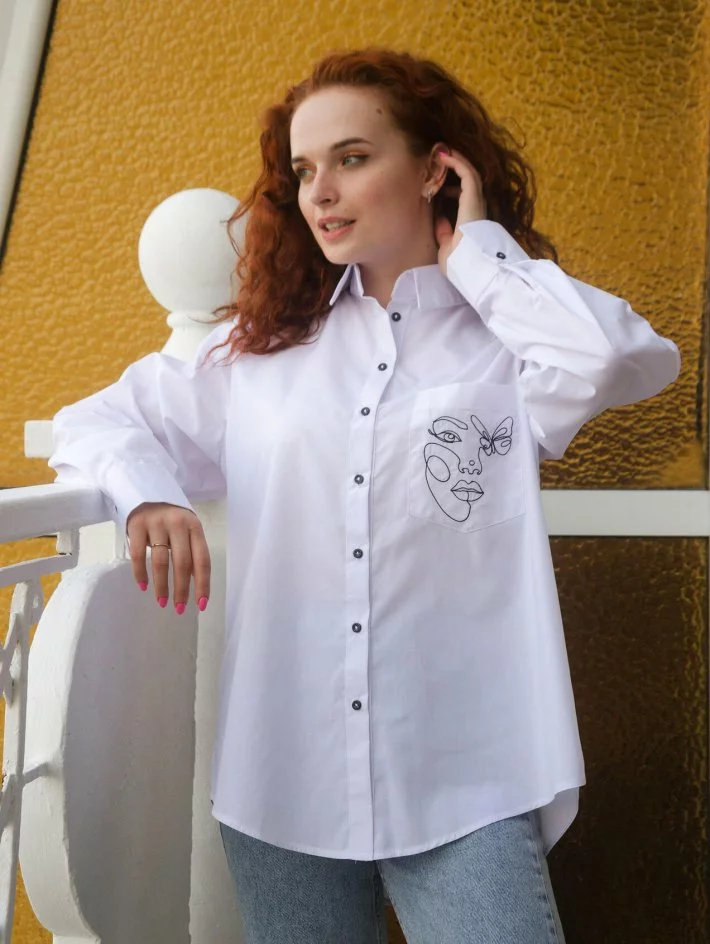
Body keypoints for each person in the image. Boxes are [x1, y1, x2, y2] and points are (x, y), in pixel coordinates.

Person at [48, 47, 680, 944]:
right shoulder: (260, 351)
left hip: (464, 776)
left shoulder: (505, 344)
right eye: (304, 170)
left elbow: (620, 357)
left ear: (433, 169)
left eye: (351, 158)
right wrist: (150, 495)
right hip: (282, 779)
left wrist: (478, 258)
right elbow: (93, 423)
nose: (322, 193)